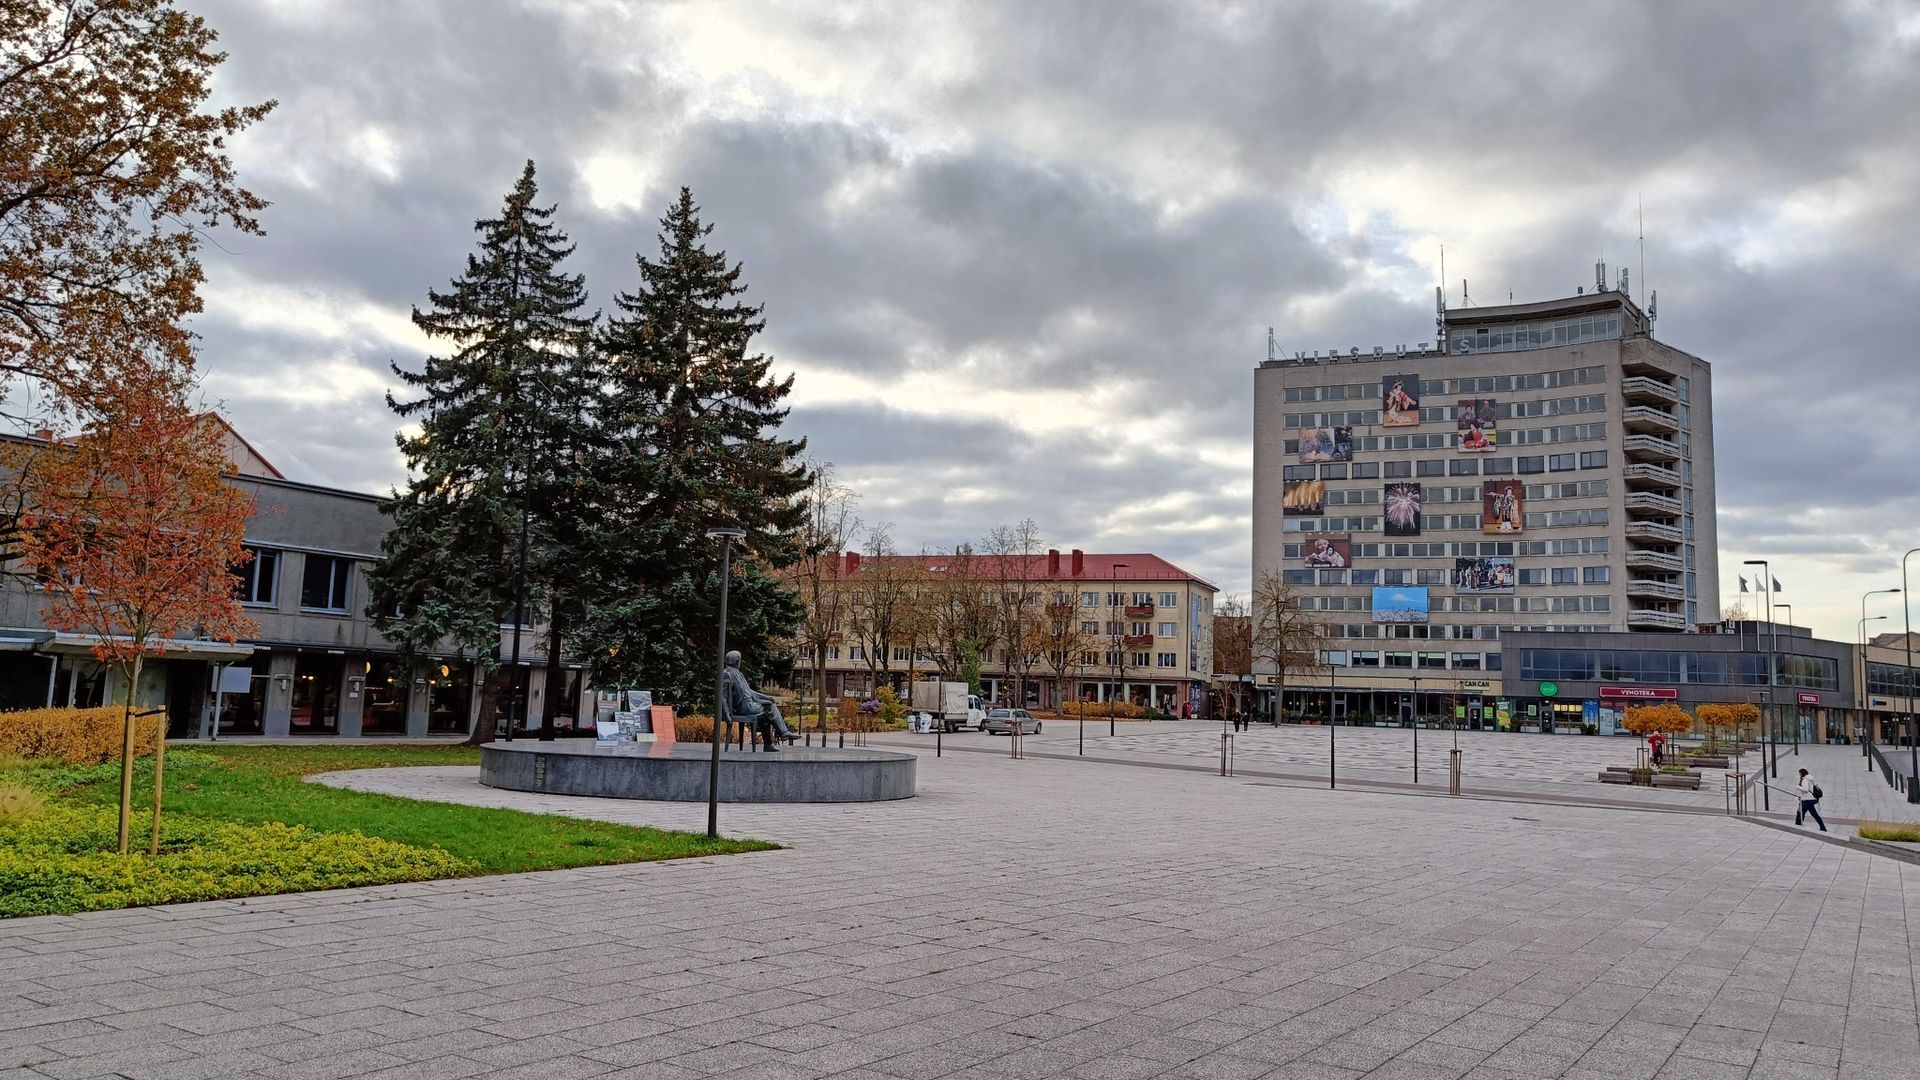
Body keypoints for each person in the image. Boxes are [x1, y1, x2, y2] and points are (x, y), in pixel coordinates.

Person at [722, 650, 795, 751]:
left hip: (748, 704)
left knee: (768, 709)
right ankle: (783, 733)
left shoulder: (739, 674)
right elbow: (723, 696)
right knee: (769, 707)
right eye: (740, 660)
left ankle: (769, 744)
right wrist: (727, 714)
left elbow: (750, 692)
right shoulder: (727, 674)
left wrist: (766, 697)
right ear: (737, 661)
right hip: (743, 707)